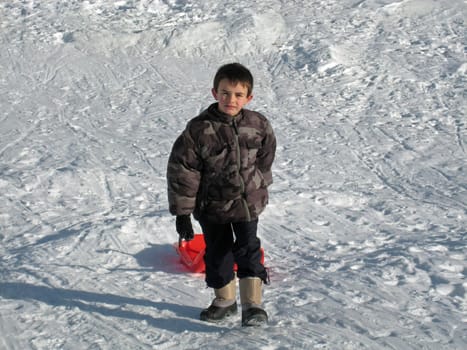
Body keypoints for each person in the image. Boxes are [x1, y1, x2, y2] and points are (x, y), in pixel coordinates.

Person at [167, 63, 276, 327]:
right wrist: (182, 213)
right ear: (214, 92)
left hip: (247, 204)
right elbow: (184, 170)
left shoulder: (257, 124)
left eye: (238, 95)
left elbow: (266, 155)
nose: (231, 100)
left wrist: (259, 182)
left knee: (249, 249)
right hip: (212, 207)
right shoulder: (198, 129)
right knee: (218, 253)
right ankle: (225, 301)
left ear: (248, 98)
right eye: (225, 93)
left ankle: (253, 306)